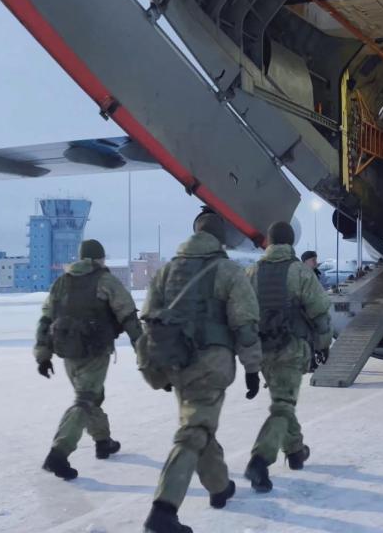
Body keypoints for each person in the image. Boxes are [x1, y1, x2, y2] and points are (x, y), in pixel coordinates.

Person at [138, 211, 262, 533]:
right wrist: (252, 367)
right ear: (220, 239)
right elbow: (245, 323)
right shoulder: (228, 271)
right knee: (194, 431)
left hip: (176, 361)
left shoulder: (166, 272)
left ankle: (219, 487)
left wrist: (158, 364)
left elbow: (148, 320)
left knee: (199, 424)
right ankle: (163, 512)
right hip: (212, 362)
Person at [35, 239, 143, 480]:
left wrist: (43, 355)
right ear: (100, 258)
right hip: (95, 351)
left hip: (68, 352)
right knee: (85, 400)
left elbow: (45, 319)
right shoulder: (104, 280)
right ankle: (59, 453)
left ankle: (103, 441)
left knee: (91, 396)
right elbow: (127, 313)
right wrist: (141, 346)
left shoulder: (62, 282)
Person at [244, 222, 332, 493]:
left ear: (268, 242)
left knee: (282, 401)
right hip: (292, 347)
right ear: (291, 243)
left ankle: (295, 452)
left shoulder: (252, 271)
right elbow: (319, 311)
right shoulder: (300, 272)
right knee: (283, 405)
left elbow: (242, 314)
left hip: (263, 350)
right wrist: (323, 344)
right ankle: (260, 459)